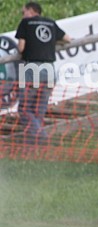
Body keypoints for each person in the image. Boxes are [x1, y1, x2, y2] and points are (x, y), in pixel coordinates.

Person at [15, 2, 70, 144]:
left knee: (24, 109)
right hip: (50, 69)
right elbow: (67, 39)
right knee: (39, 108)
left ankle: (41, 136)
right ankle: (36, 145)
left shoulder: (26, 22)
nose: (23, 15)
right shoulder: (51, 23)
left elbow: (21, 48)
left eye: (24, 12)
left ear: (31, 11)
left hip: (31, 68)